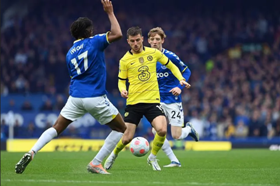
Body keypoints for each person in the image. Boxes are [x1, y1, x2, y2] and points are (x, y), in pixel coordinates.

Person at [15, 0, 126, 175]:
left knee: (56, 127)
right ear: (89, 31)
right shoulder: (95, 41)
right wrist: (110, 12)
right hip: (95, 96)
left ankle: (32, 151)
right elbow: (118, 33)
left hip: (75, 97)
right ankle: (96, 163)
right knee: (121, 128)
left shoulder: (69, 53)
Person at [104, 26, 191, 171]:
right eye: (132, 41)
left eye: (138, 40)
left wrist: (180, 79)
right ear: (128, 42)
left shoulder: (154, 53)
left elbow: (172, 66)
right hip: (134, 103)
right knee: (126, 138)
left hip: (152, 102)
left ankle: (152, 157)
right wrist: (122, 89)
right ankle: (113, 154)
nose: (136, 43)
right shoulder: (124, 60)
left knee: (162, 130)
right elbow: (121, 80)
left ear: (142, 39)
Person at [147, 27, 199, 167]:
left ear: (163, 40)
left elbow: (186, 71)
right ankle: (174, 160)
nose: (155, 42)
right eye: (152, 39)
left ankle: (188, 130)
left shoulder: (170, 56)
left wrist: (179, 87)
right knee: (157, 130)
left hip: (172, 99)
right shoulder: (145, 58)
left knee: (176, 135)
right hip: (156, 100)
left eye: (158, 39)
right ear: (148, 41)